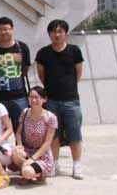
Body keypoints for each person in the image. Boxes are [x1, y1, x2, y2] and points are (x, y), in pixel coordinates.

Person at [35, 19, 84, 179]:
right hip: (51, 101)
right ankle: (54, 164)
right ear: (49, 34)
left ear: (65, 33)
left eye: (60, 31)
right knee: (53, 135)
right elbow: (42, 76)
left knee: (74, 133)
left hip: (71, 100)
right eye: (54, 31)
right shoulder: (43, 53)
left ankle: (77, 165)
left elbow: (78, 74)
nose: (57, 34)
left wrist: (69, 88)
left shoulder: (74, 51)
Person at [0, 16, 31, 132]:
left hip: (20, 97)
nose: (3, 32)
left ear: (12, 29)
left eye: (6, 29)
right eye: (0, 29)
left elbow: (25, 69)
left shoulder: (22, 47)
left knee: (22, 130)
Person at [12, 86, 57, 183]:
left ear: (44, 99)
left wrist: (32, 159)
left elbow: (47, 143)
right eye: (31, 97)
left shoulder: (51, 117)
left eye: (37, 97)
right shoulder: (25, 112)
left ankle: (35, 174)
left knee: (27, 172)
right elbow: (18, 133)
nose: (33, 100)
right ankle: (28, 170)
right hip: (28, 150)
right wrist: (20, 145)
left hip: (42, 155)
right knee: (15, 152)